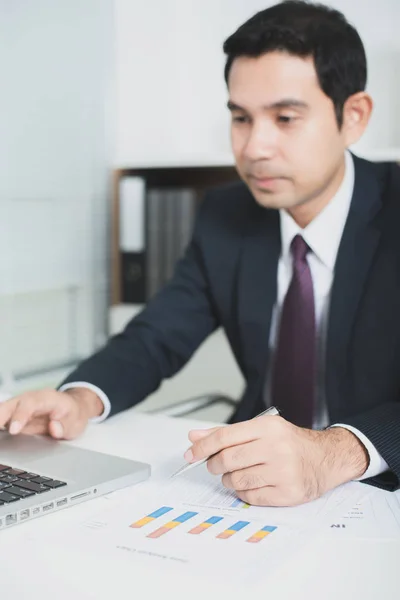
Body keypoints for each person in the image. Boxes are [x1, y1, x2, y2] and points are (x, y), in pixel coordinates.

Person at [1, 0, 399, 506]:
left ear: (354, 115)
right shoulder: (227, 216)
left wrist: (337, 452)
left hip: (376, 489)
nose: (254, 147)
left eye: (285, 118)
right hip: (244, 487)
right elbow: (156, 337)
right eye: (240, 118)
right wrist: (78, 399)